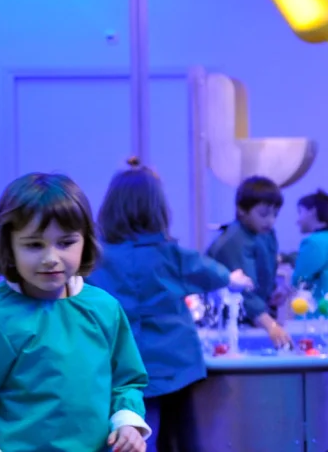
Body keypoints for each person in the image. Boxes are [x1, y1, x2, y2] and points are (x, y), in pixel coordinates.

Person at [0, 172, 152, 452]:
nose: (51, 258)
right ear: (9, 246)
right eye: (34, 244)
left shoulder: (104, 308)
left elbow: (126, 381)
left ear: (86, 241)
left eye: (66, 242)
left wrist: (126, 422)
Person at [91, 161, 255, 452]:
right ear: (158, 209)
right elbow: (208, 272)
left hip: (121, 364)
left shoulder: (98, 258)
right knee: (181, 436)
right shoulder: (169, 254)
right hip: (174, 363)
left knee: (136, 432)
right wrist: (233, 279)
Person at [205, 176, 291, 346]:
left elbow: (264, 271)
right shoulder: (234, 240)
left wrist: (273, 291)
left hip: (248, 318)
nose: (270, 220)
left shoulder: (265, 233)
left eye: (275, 214)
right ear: (241, 210)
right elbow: (243, 291)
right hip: (224, 324)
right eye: (264, 214)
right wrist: (270, 324)